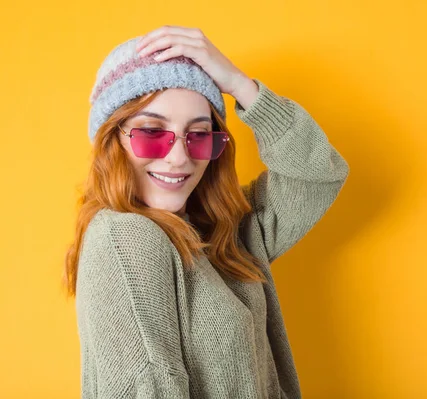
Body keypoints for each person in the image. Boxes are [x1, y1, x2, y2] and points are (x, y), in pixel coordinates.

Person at [63, 25, 349, 398]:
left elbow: (317, 176)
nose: (179, 157)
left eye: (198, 134)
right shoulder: (126, 237)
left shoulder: (224, 234)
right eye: (152, 131)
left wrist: (239, 84)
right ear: (111, 139)